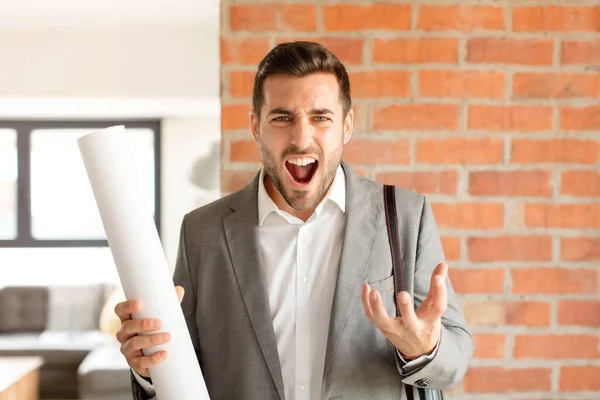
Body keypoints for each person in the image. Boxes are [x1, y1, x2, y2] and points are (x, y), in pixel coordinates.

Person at [115, 41, 474, 400]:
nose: (301, 139)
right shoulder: (202, 231)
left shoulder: (405, 216)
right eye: (282, 118)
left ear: (346, 126)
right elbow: (178, 370)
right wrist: (149, 369)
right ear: (256, 126)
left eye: (321, 117)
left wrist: (424, 349)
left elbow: (454, 358)